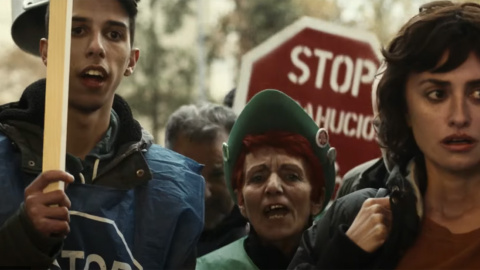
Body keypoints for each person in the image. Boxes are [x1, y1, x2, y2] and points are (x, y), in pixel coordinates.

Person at [0, 0, 204, 268]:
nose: (96, 47)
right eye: (77, 30)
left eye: (114, 34)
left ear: (132, 60)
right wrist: (21, 239)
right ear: (47, 51)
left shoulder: (174, 189)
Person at [289, 1, 480, 269]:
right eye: (437, 94)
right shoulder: (353, 218)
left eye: (477, 93)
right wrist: (344, 256)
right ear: (404, 110)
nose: (460, 116)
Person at [196, 89, 336, 269]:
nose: (273, 186)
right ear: (241, 201)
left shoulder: (345, 261)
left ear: (316, 198)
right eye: (257, 178)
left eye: (292, 176)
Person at [165, 103, 248, 257]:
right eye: (190, 175)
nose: (205, 193)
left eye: (217, 174)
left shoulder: (267, 247)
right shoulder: (143, 245)